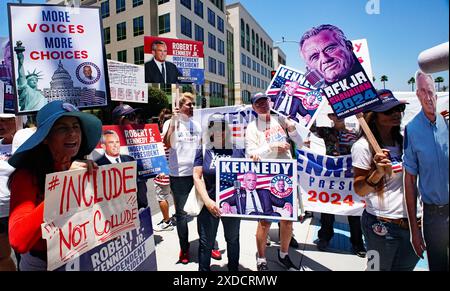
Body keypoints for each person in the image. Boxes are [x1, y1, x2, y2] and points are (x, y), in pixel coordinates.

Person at [7, 100, 101, 271]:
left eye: (76, 126)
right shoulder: (26, 176)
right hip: (43, 264)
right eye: (62, 128)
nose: (72, 133)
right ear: (45, 138)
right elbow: (19, 240)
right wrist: (65, 186)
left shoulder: (83, 167)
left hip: (83, 258)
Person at [352, 90, 419, 271]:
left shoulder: (406, 142)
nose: (396, 113)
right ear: (373, 117)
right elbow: (359, 190)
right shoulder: (362, 146)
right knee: (375, 269)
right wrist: (377, 173)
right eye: (389, 111)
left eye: (399, 108)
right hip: (381, 226)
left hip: (414, 224)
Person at [245, 92, 304, 271]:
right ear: (254, 108)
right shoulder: (252, 127)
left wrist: (292, 130)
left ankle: (283, 254)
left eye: (265, 102)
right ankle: (262, 258)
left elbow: (300, 144)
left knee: (287, 221)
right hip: (266, 177)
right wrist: (271, 147)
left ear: (269, 102)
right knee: (265, 221)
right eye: (258, 104)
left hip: (286, 175)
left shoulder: (282, 120)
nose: (263, 105)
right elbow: (250, 153)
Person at [403, 70, 449, 271]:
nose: (428, 97)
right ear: (418, 95)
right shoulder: (412, 130)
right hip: (434, 216)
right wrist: (415, 230)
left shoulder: (447, 123)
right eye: (423, 91)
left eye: (430, 91)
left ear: (437, 94)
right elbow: (410, 181)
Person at [312, 111, 366, 257]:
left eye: (341, 113)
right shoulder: (326, 131)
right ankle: (324, 237)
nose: (338, 116)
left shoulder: (354, 134)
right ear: (330, 117)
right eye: (335, 114)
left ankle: (357, 243)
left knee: (354, 210)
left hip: (349, 179)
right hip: (331, 178)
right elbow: (310, 128)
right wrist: (313, 110)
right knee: (327, 209)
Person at [193, 113, 242, 271]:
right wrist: (207, 201)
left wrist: (254, 159)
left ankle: (233, 271)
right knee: (206, 243)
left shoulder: (237, 149)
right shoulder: (204, 148)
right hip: (210, 204)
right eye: (214, 127)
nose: (218, 131)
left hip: (232, 205)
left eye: (222, 127)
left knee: (233, 240)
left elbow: (247, 175)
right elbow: (197, 175)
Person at [163, 92, 201, 264]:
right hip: (178, 176)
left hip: (196, 175)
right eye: (189, 104)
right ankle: (184, 249)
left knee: (203, 212)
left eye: (193, 104)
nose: (192, 107)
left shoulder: (197, 125)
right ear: (179, 106)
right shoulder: (169, 123)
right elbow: (168, 143)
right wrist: (174, 122)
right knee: (181, 215)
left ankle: (207, 246)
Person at [108, 104, 149, 209]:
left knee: (142, 209)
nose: (135, 120)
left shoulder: (138, 134)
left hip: (139, 181)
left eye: (135, 116)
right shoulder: (108, 137)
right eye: (130, 117)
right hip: (120, 185)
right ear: (119, 120)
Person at [220, 171, 293, 217]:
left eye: (254, 180)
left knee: (276, 215)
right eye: (249, 180)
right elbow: (224, 201)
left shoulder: (265, 193)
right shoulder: (238, 194)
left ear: (256, 182)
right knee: (253, 214)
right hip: (250, 217)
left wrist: (286, 203)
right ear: (244, 182)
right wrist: (225, 203)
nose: (251, 182)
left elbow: (279, 202)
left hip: (267, 217)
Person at [0, 113, 20, 271]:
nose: (2, 124)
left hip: (18, 209)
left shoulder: (26, 143)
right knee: (2, 257)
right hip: (0, 212)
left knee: (25, 253)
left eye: (7, 120)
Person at [153, 108, 175, 232]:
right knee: (175, 196)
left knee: (162, 197)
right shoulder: (175, 138)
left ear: (162, 122)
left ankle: (166, 221)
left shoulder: (159, 138)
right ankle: (177, 216)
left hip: (162, 172)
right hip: (174, 172)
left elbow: (157, 156)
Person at [14, 41, 48, 111]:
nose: (35, 82)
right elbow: (21, 76)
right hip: (28, 117)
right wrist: (20, 63)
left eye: (36, 80)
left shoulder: (41, 96)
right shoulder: (26, 89)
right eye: (32, 80)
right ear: (27, 82)